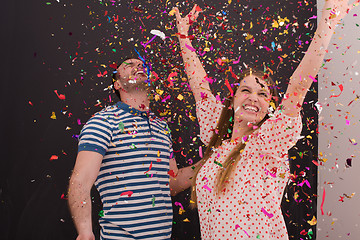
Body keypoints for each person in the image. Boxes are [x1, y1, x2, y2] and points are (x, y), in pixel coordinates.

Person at [173, 1, 359, 239]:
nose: (254, 98)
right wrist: (183, 35)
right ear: (232, 101)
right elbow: (199, 86)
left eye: (263, 94)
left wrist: (328, 22)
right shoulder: (216, 136)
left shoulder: (267, 143)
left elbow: (298, 87)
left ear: (267, 108)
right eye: (246, 91)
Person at [68, 57, 199, 240]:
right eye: (129, 65)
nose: (138, 66)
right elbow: (80, 181)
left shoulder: (161, 127)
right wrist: (85, 231)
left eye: (141, 64)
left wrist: (212, 161)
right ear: (117, 85)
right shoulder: (103, 122)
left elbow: (171, 184)